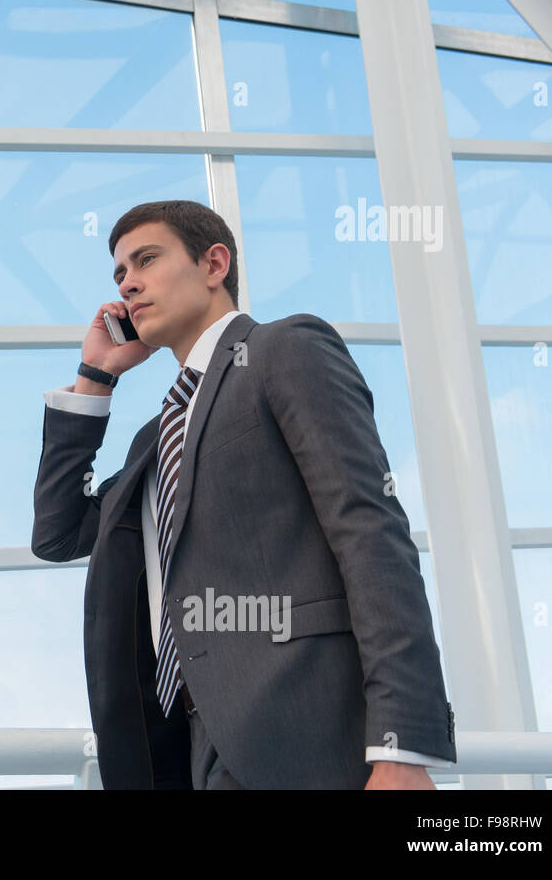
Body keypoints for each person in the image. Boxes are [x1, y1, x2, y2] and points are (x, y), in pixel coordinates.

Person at [31, 200, 455, 789]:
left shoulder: (286, 349)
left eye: (146, 259)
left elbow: (371, 536)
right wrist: (94, 378)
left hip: (302, 732)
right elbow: (57, 533)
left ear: (214, 264)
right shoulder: (152, 444)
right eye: (120, 274)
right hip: (180, 751)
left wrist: (401, 746)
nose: (128, 282)